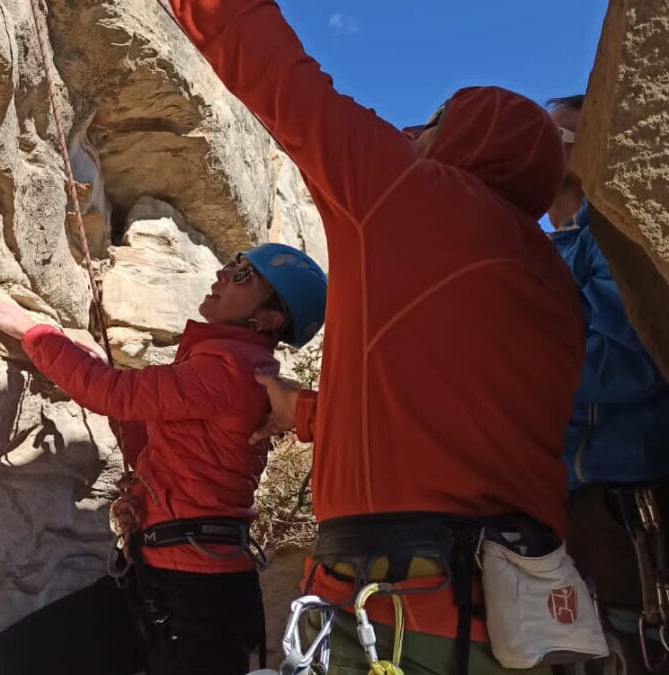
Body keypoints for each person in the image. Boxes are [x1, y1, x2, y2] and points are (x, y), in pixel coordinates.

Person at [164, 2, 585, 674]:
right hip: (514, 609)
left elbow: (274, 68)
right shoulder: (555, 288)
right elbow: (439, 432)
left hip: (402, 604)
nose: (413, 129)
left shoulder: (409, 193)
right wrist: (300, 409)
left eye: (439, 118)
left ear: (473, 137)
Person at [0, 243, 327, 675]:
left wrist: (33, 332)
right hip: (164, 578)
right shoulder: (223, 361)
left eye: (243, 276)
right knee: (8, 661)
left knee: (11, 663)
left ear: (268, 319)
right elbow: (149, 442)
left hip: (197, 595)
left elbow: (111, 393)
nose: (222, 274)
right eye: (233, 264)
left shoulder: (231, 368)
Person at [547, 94, 669, 675]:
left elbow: (628, 357)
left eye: (557, 131)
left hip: (627, 498)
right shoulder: (553, 246)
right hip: (572, 500)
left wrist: (522, 397)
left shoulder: (611, 231)